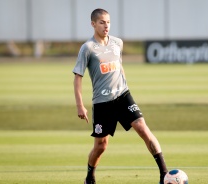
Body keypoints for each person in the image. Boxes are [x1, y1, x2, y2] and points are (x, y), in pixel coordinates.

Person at [73, 8, 168, 184]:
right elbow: (78, 78)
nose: (106, 25)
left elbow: (119, 65)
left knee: (142, 127)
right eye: (101, 22)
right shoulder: (87, 48)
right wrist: (80, 105)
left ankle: (165, 174)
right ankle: (89, 177)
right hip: (102, 103)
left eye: (108, 22)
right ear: (93, 24)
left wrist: (124, 85)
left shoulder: (117, 43)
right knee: (101, 146)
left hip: (123, 96)